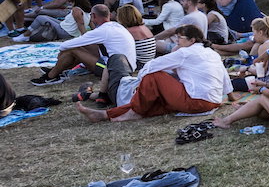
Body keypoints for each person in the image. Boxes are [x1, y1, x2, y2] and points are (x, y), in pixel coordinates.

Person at [76, 25, 229, 122]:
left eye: (180, 38)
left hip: (196, 101)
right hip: (213, 102)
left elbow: (152, 65)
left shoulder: (185, 53)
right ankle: (105, 115)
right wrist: (232, 96)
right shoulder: (211, 53)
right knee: (156, 103)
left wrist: (140, 82)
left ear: (192, 40)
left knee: (153, 76)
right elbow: (225, 78)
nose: (177, 41)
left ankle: (134, 112)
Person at [30, 3, 136, 86]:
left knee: (73, 49)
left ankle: (51, 76)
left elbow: (65, 45)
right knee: (80, 47)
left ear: (93, 16)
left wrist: (61, 53)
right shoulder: (115, 26)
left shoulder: (102, 31)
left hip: (114, 71)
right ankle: (58, 69)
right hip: (128, 66)